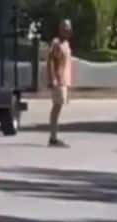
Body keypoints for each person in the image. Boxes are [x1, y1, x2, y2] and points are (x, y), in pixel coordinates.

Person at [46, 19, 73, 148]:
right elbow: (51, 61)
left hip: (64, 81)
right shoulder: (56, 43)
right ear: (60, 29)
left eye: (68, 28)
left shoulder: (66, 44)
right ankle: (53, 138)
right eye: (64, 28)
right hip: (58, 80)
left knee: (58, 107)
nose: (67, 30)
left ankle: (54, 136)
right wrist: (52, 79)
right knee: (56, 108)